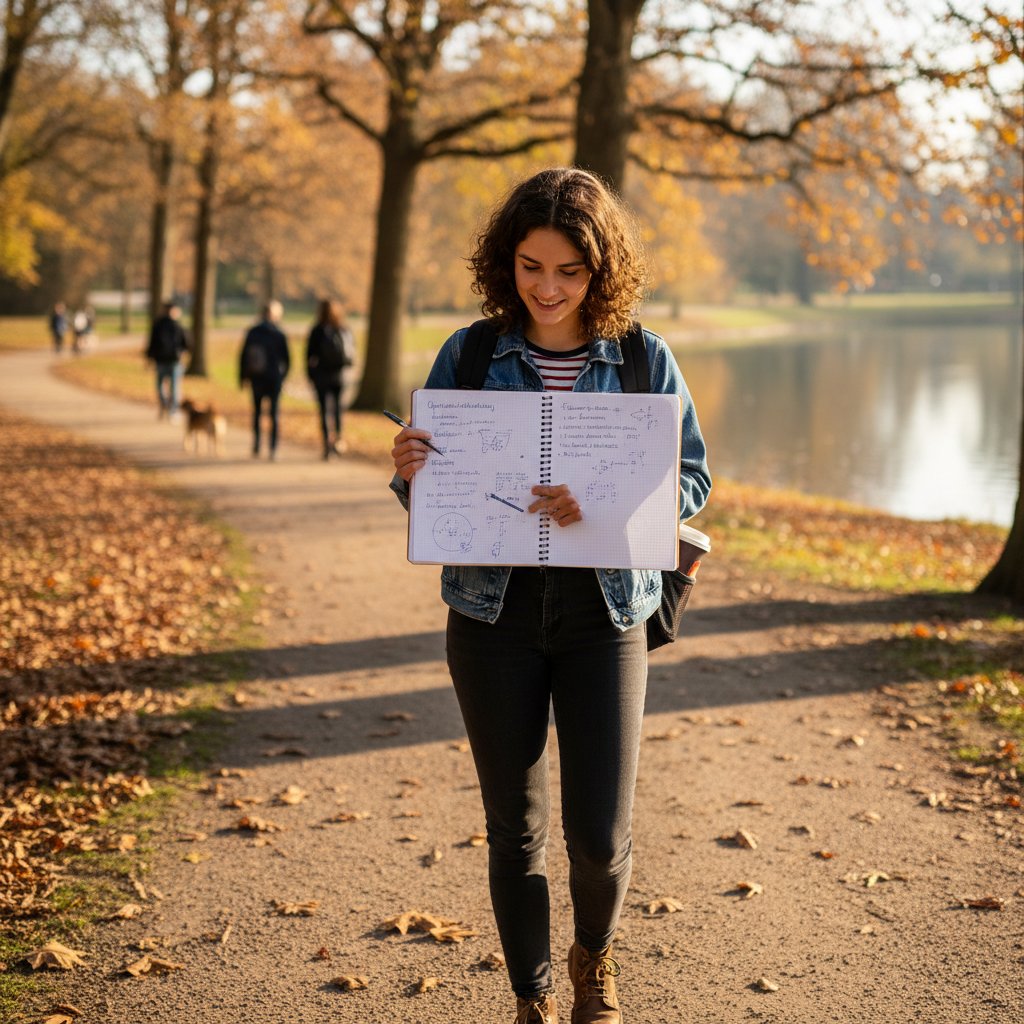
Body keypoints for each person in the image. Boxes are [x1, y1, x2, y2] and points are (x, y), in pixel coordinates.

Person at [388, 168, 711, 1024]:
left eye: (570, 270)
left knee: (599, 839)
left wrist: (603, 501)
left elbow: (693, 479)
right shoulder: (466, 354)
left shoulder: (644, 357)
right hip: (490, 617)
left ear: (602, 271)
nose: (549, 287)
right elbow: (437, 503)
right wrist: (412, 473)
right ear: (507, 261)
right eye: (532, 266)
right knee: (514, 829)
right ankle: (531, 997)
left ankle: (593, 958)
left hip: (604, 614)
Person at [239, 299, 290, 460]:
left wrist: (242, 376)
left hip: (257, 377)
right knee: (274, 414)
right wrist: (283, 377)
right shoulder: (279, 333)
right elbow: (287, 359)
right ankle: (273, 447)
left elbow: (243, 355)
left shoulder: (253, 332)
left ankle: (257, 444)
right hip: (274, 378)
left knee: (257, 412)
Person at [305, 298, 354, 459]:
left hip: (322, 377)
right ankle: (338, 441)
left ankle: (327, 445)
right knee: (338, 410)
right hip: (340, 376)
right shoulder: (343, 327)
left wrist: (311, 376)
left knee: (324, 411)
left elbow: (309, 355)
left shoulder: (317, 330)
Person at [146, 301, 190, 418]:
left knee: (161, 385)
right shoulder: (177, 325)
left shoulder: (158, 324)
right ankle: (173, 410)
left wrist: (149, 357)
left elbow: (152, 343)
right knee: (174, 386)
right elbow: (186, 343)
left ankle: (165, 404)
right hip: (174, 360)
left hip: (162, 360)